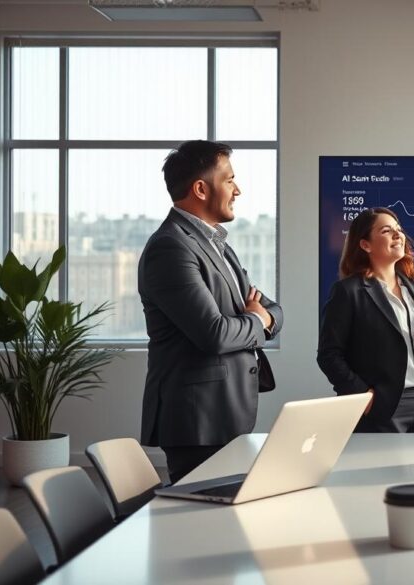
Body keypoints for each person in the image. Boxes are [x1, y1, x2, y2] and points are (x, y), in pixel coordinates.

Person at [139, 140, 283, 483]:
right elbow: (214, 334)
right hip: (198, 421)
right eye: (230, 180)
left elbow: (271, 307)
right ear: (201, 189)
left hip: (225, 412)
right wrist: (258, 319)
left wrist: (263, 316)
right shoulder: (171, 247)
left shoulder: (216, 243)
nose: (238, 190)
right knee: (199, 522)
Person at [317, 208, 414, 432]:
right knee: (388, 468)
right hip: (383, 407)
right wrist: (361, 395)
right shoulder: (348, 291)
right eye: (386, 231)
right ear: (365, 245)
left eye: (398, 230)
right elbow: (328, 355)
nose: (398, 235)